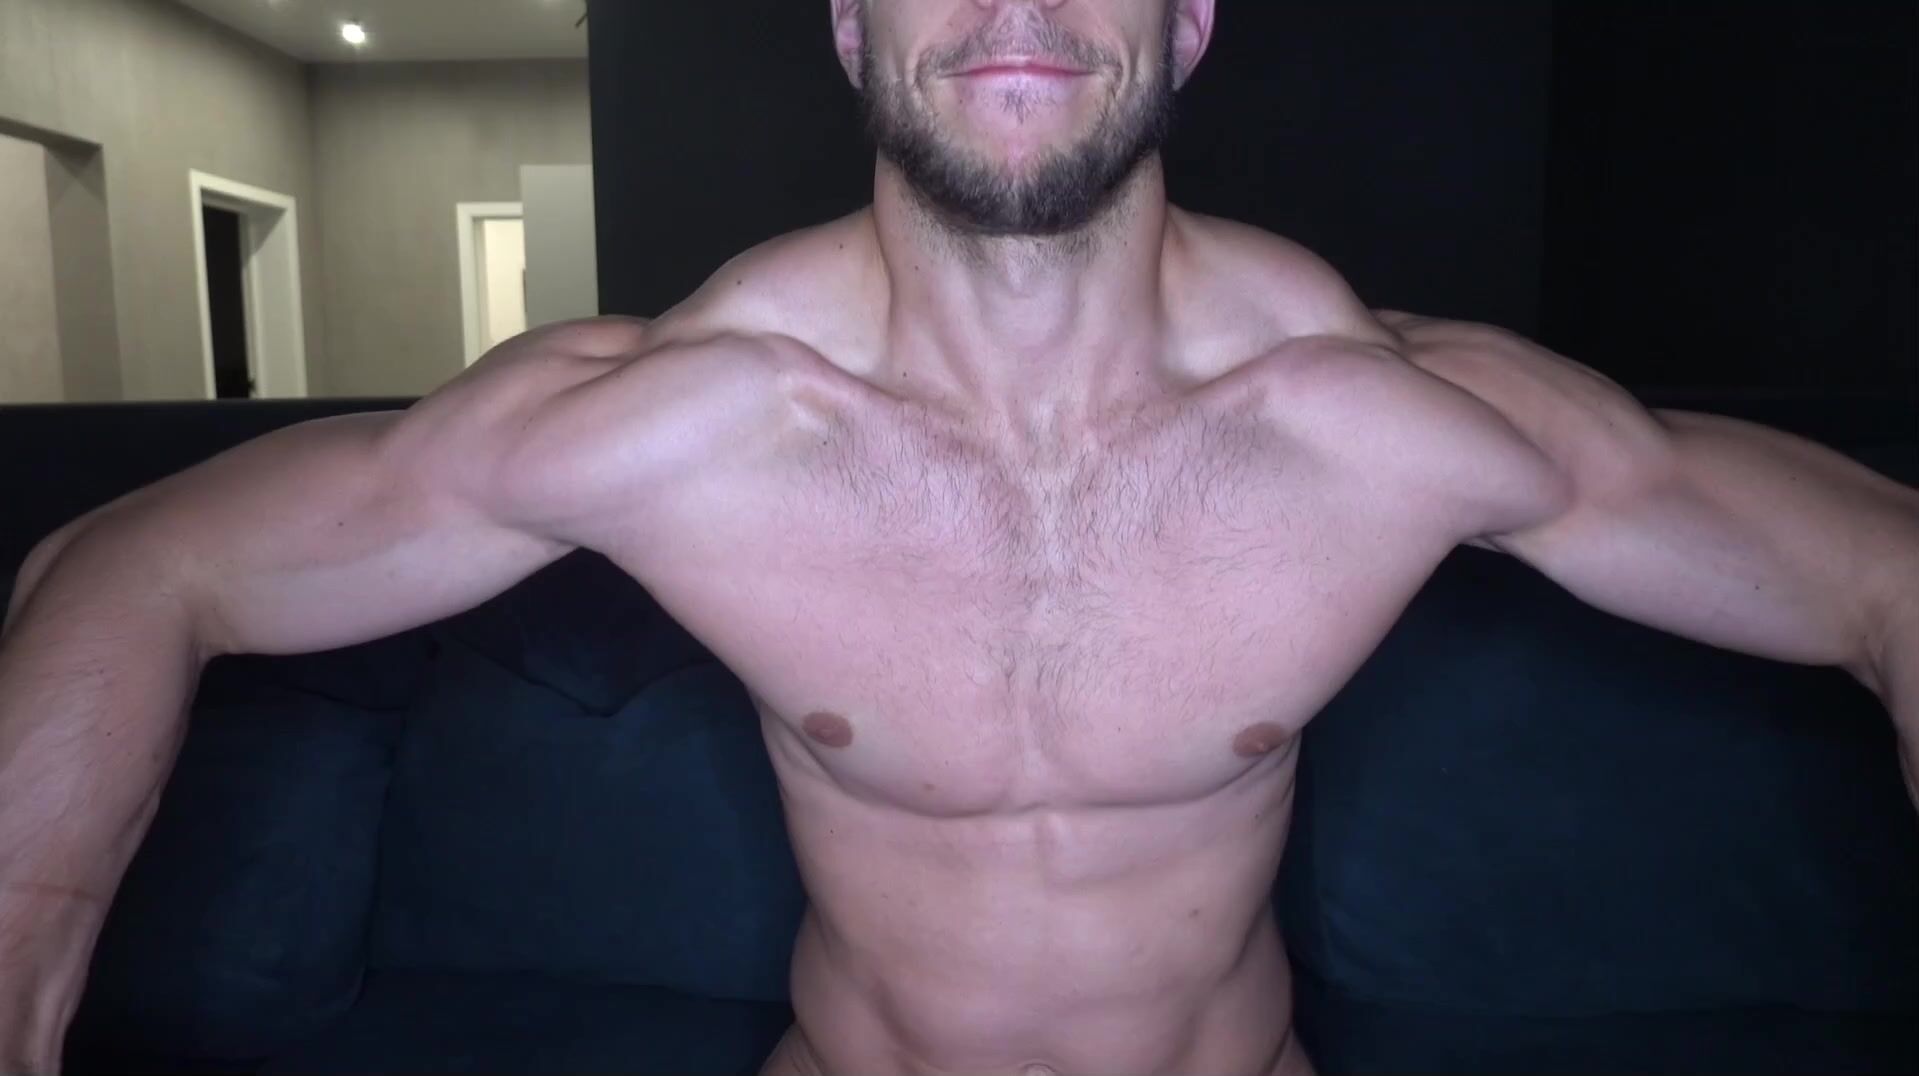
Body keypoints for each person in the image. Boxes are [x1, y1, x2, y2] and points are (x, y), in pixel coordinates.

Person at [3, 1, 1915, 1072]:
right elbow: (140, 567)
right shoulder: (681, 423)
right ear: (852, 26)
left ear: (1187, 21)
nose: (1016, 2)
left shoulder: (1381, 423)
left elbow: (1881, 572)